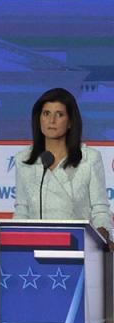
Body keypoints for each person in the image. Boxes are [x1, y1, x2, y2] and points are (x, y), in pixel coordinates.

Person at [13, 87, 113, 248]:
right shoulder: (24, 160)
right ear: (39, 119)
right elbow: (22, 210)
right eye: (46, 114)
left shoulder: (89, 159)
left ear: (70, 122)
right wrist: (14, 240)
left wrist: (104, 234)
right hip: (34, 249)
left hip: (78, 248)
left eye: (59, 114)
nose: (51, 121)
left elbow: (100, 209)